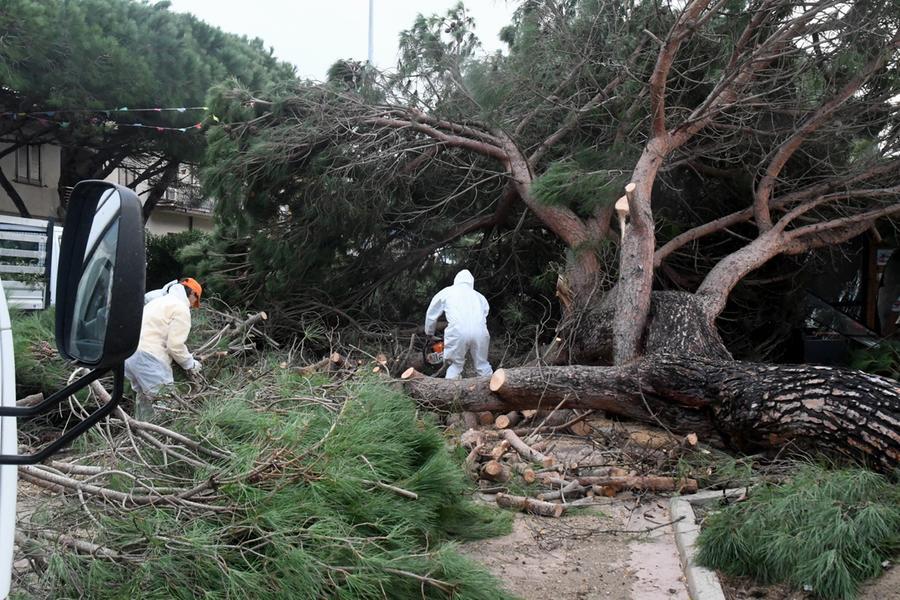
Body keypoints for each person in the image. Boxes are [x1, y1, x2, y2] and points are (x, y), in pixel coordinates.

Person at [124, 277, 203, 420]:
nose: (192, 305)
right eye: (195, 301)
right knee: (168, 406)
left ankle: (142, 437)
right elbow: (175, 346)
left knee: (145, 402)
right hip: (149, 357)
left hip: (130, 355)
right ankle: (164, 438)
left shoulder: (158, 302)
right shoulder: (180, 308)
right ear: (192, 293)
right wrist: (190, 364)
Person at [424, 269, 493, 379]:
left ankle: (451, 393)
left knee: (455, 365)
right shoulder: (480, 297)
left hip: (457, 332)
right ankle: (495, 390)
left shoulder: (447, 292)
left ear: (456, 280)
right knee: (482, 365)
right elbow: (484, 314)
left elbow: (431, 313)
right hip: (481, 333)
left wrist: (429, 332)